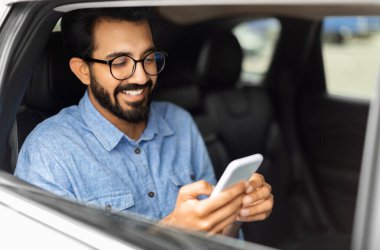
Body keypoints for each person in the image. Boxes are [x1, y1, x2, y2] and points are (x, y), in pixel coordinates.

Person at [14, 7, 273, 237]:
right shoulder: (49, 152)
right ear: (83, 70)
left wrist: (235, 215)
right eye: (120, 62)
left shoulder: (179, 123)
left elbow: (216, 241)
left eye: (148, 58)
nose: (141, 77)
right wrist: (170, 231)